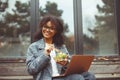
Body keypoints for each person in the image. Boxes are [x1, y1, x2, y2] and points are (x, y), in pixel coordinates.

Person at [26, 15, 96, 80]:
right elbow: (31, 70)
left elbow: (68, 65)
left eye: (52, 28)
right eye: (46, 27)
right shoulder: (33, 47)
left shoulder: (61, 46)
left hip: (62, 76)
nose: (47, 30)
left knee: (90, 76)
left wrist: (65, 63)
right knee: (78, 78)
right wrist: (45, 55)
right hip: (48, 78)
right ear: (42, 27)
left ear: (56, 31)